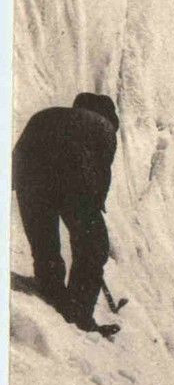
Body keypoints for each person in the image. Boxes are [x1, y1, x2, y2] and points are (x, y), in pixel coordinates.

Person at [12, 93, 120, 336]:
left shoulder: (48, 115)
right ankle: (79, 315)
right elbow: (100, 176)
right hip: (71, 176)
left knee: (44, 242)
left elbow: (18, 155)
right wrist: (93, 206)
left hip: (28, 175)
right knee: (94, 246)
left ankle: (51, 289)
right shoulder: (104, 127)